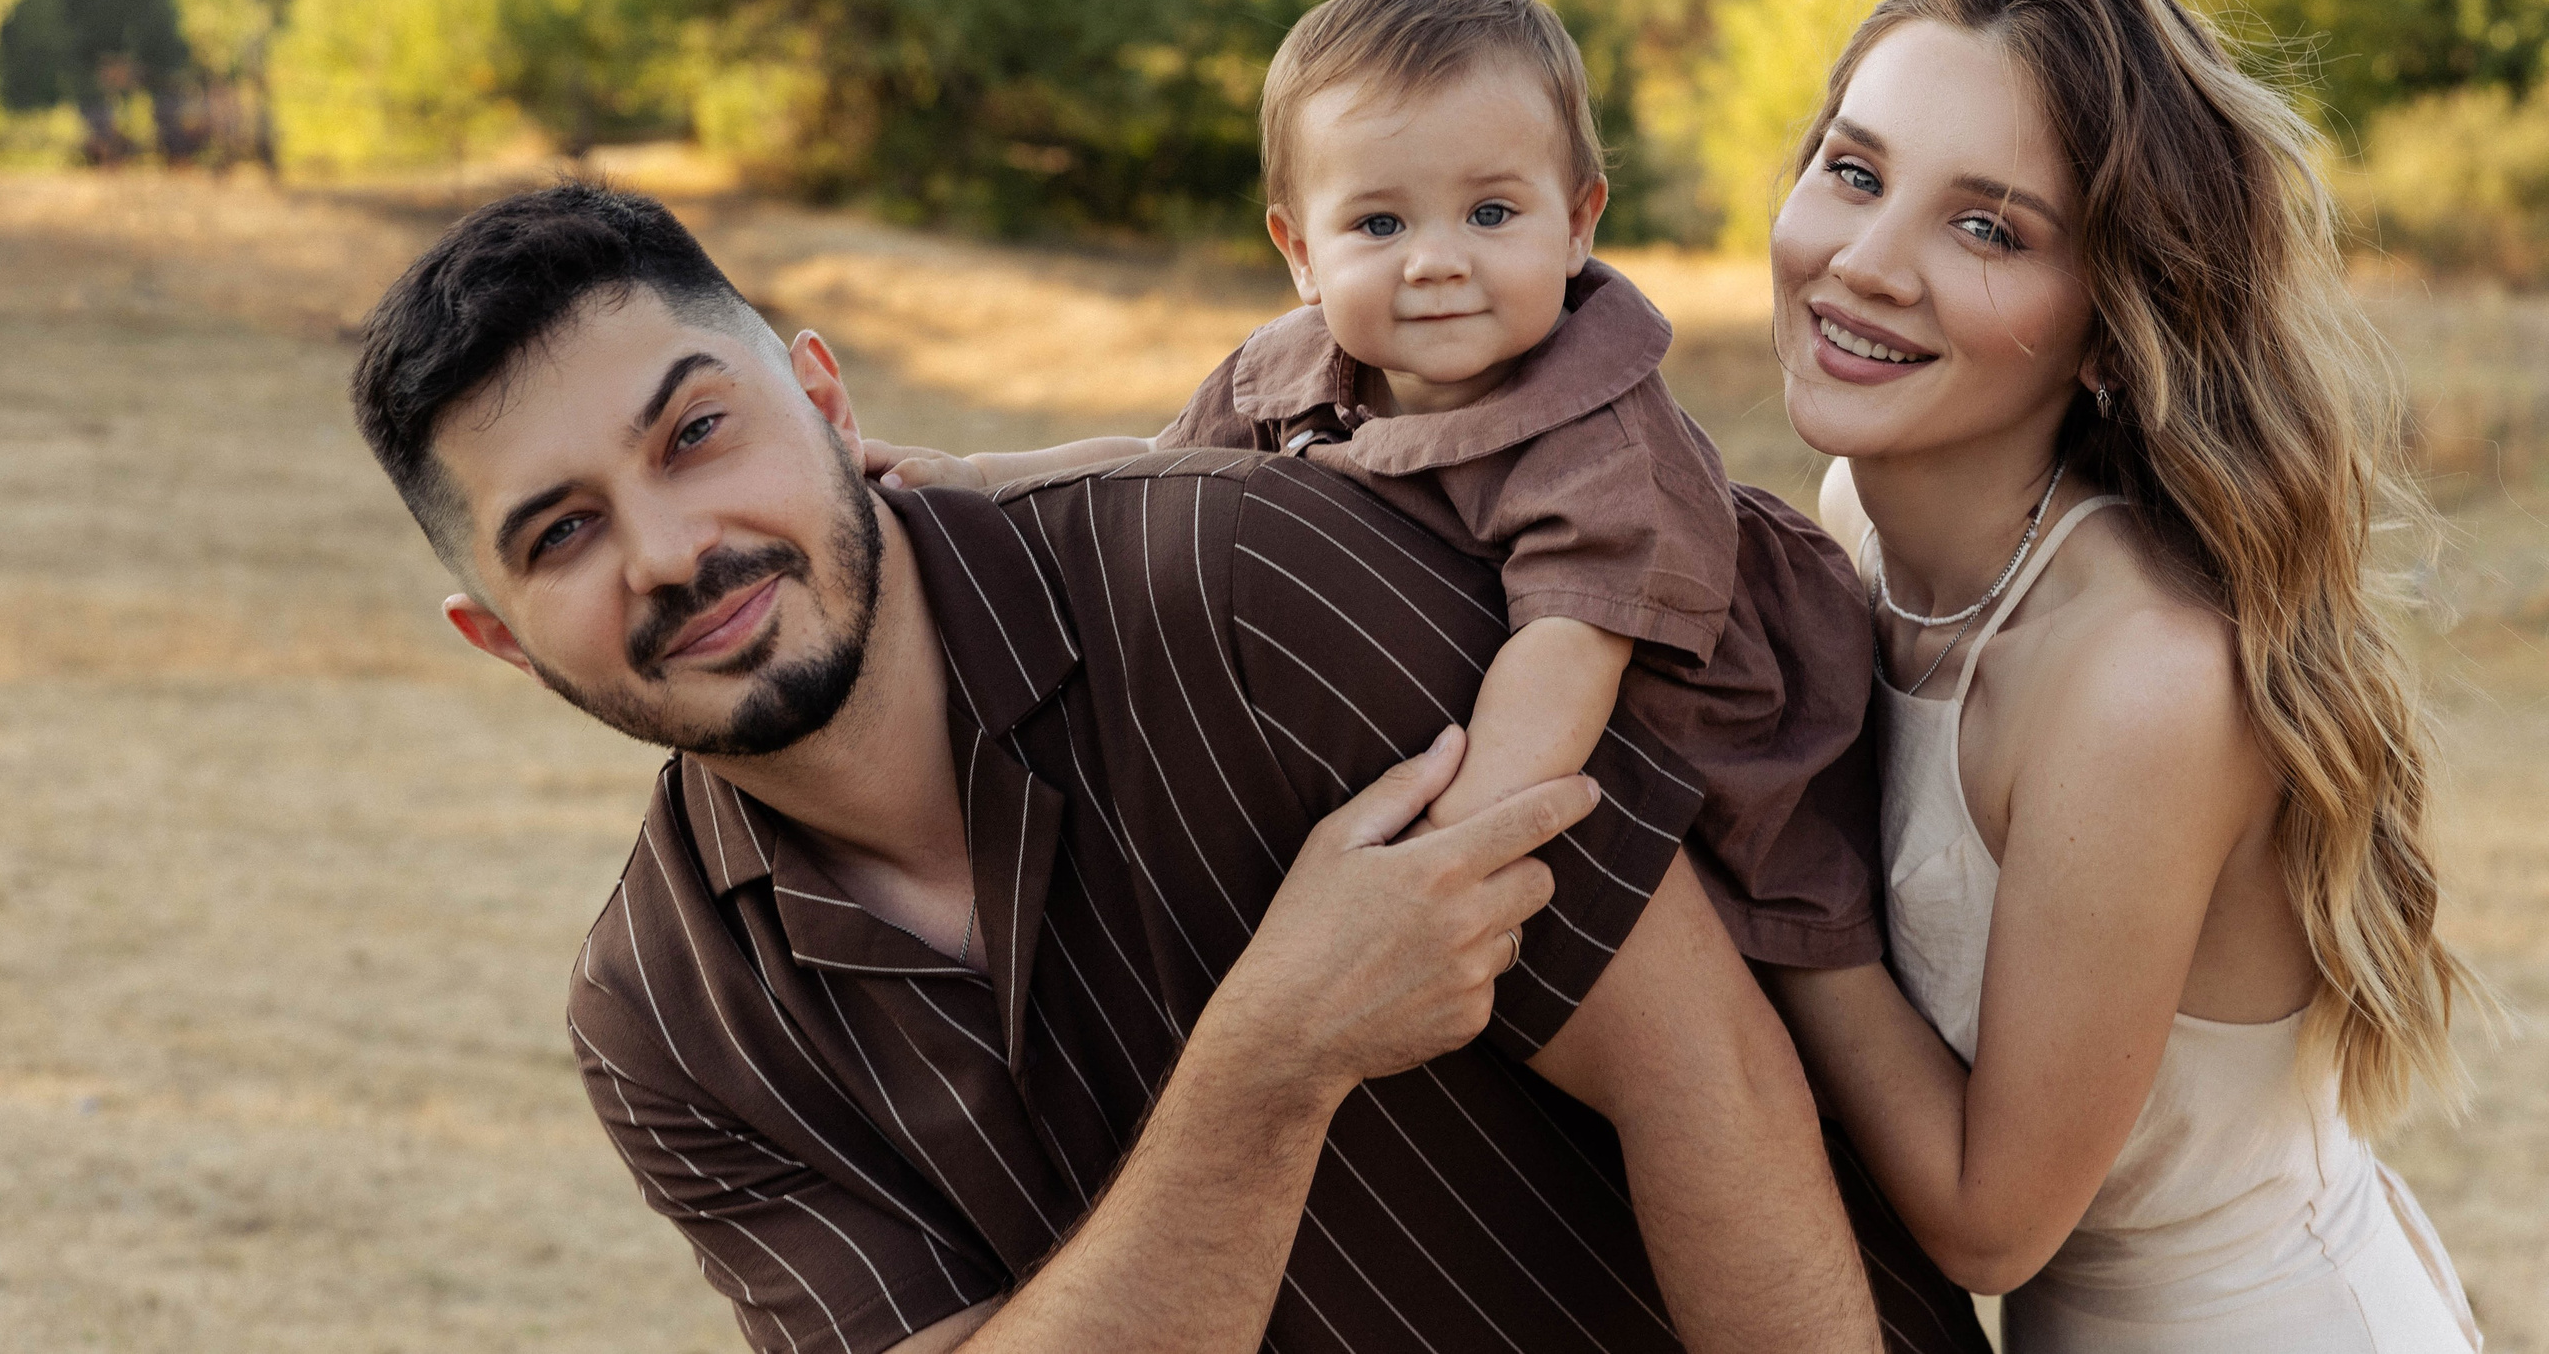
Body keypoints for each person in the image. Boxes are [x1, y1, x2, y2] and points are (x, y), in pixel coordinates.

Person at [347, 183, 1988, 1353]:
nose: (672, 549)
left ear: (822, 396)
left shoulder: (1239, 583)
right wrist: (1273, 1056)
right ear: (500, 636)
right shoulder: (663, 1017)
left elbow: (1707, 1077)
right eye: (562, 533)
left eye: (695, 433)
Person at [1761, 0, 2485, 1351]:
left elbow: (1991, 1217)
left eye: (1987, 228)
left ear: (2109, 328)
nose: (1865, 261)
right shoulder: (1855, 517)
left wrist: (1771, 863)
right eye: (1854, 172)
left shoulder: (2139, 677)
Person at [870, 0, 1885, 975]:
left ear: (1577, 222)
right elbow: (1150, 469)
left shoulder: (1601, 439)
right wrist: (976, 471)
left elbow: (1561, 666)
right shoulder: (1293, 371)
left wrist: (1438, 867)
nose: (1435, 260)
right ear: (1301, 251)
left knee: (1814, 1016)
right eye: (1380, 224)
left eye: (1490, 214)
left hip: (1738, 795)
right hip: (1535, 767)